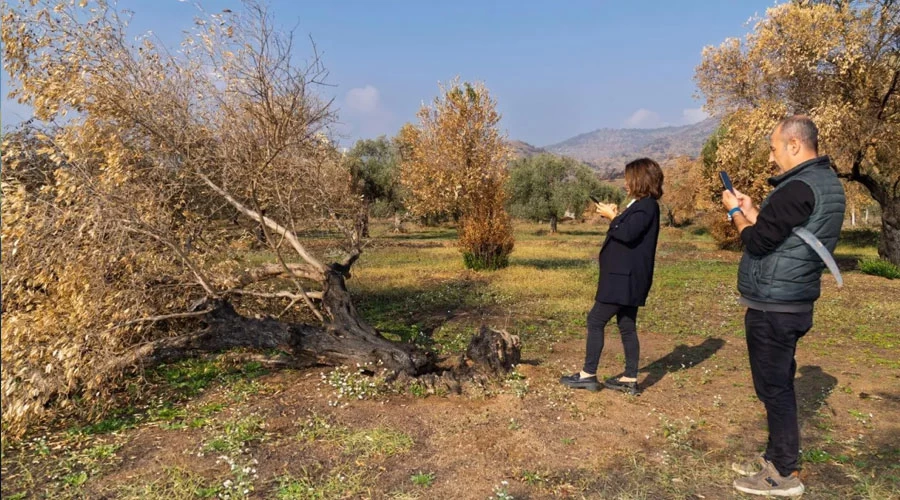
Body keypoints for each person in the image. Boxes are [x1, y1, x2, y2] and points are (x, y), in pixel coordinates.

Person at [722, 115, 845, 497]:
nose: (773, 156)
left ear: (794, 145)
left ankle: (783, 473)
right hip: (791, 300)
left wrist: (734, 213)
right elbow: (783, 234)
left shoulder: (797, 187)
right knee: (778, 384)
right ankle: (776, 457)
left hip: (775, 305)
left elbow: (757, 242)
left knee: (774, 388)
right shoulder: (822, 183)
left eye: (774, 148)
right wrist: (754, 209)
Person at [559, 157, 663, 396]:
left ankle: (588, 375)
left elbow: (627, 234)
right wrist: (617, 215)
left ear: (640, 179)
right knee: (626, 325)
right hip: (625, 278)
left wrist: (612, 218)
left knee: (595, 320)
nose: (625, 183)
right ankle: (629, 378)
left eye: (628, 178)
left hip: (622, 279)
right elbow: (629, 231)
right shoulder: (640, 205)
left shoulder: (646, 205)